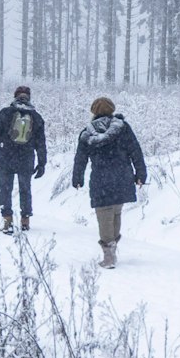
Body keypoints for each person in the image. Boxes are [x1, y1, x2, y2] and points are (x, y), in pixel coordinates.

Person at [71, 96, 147, 268]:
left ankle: (109, 255)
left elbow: (80, 158)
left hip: (101, 178)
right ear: (112, 109)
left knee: (104, 214)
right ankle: (112, 248)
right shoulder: (123, 128)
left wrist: (77, 178)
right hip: (122, 176)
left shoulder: (87, 132)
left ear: (94, 111)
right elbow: (135, 151)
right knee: (116, 212)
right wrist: (140, 173)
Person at [0, 85, 47, 233]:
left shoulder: (5, 113)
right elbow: (41, 143)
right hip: (26, 158)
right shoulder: (36, 117)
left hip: (6, 156)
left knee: (5, 189)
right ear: (29, 98)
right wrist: (42, 163)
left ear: (15, 96)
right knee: (25, 189)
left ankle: (8, 222)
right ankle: (25, 221)